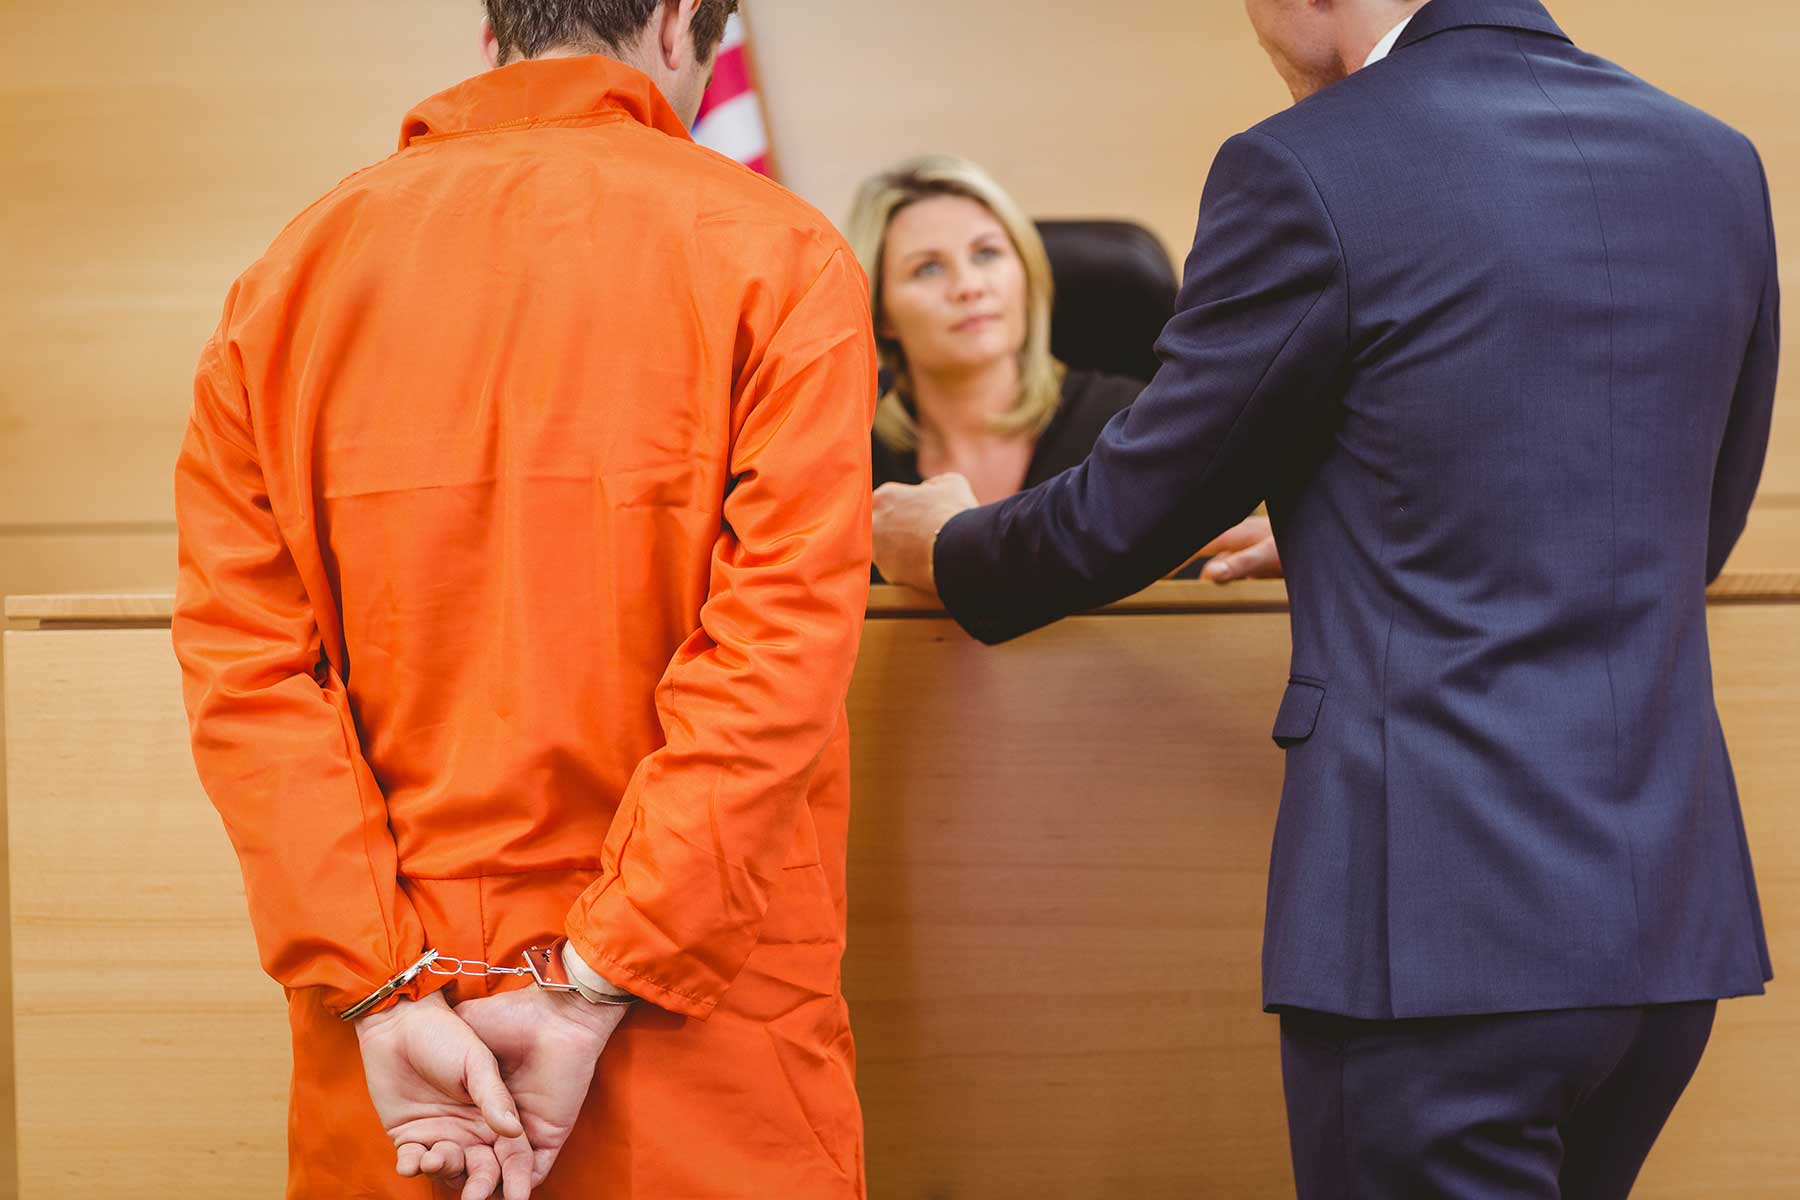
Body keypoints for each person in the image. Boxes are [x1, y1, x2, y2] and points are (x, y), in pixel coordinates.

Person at [871, 0, 1778, 1195]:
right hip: (1666, 931)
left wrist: (946, 546)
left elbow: (1122, 516)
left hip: (1437, 947)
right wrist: (1364, 525)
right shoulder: (1713, 159)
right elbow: (1679, 530)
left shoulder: (1306, 164)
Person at [172, 1, 877, 1196]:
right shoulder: (778, 253)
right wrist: (600, 973)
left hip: (407, 1059)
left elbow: (249, 678)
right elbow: (774, 659)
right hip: (698, 1025)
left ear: (496, 28)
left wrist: (385, 988)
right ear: (673, 24)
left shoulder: (285, 280)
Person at [848, 153, 1280, 583]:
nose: (968, 287)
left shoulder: (1135, 423)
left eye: (986, 254)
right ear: (881, 311)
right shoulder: (848, 452)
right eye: (927, 268)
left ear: (1026, 271)